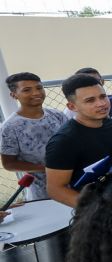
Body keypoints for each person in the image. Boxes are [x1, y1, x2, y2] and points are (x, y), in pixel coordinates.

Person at [45, 73, 112, 207]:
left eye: (103, 96)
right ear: (72, 107)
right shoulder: (64, 141)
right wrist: (97, 210)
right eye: (90, 100)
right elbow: (55, 189)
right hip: (96, 214)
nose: (101, 104)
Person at [1, 72, 68, 200]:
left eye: (39, 88)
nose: (36, 93)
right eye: (27, 90)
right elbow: (9, 164)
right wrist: (46, 168)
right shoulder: (10, 127)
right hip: (42, 190)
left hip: (72, 180)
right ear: (14, 95)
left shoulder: (57, 115)